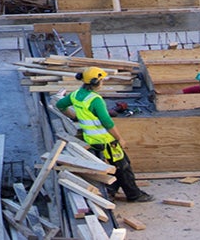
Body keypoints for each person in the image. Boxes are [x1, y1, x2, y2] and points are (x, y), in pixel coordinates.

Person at [55, 67, 153, 202]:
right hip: (106, 141)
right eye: (102, 80)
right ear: (97, 82)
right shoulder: (95, 99)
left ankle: (111, 191)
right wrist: (120, 138)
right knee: (124, 167)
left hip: (91, 139)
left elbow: (60, 105)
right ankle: (134, 195)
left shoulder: (76, 95)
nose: (103, 83)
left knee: (117, 166)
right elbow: (107, 122)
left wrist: (75, 116)